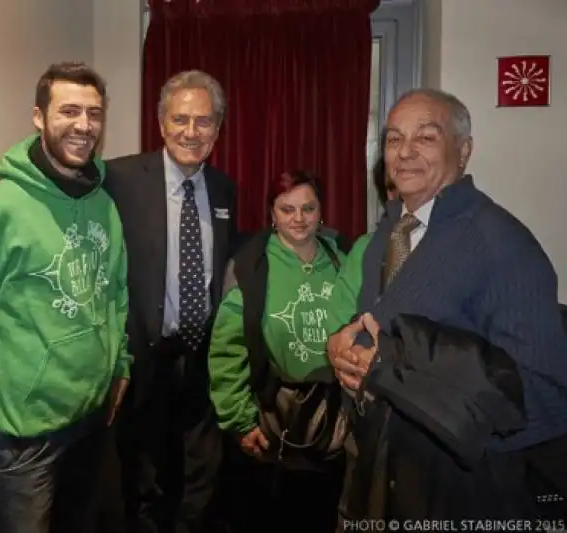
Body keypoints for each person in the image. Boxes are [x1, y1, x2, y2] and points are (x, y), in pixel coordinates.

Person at [327, 88, 567, 521]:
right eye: (394, 139)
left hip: (462, 494)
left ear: (464, 150)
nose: (405, 152)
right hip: (383, 479)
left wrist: (401, 375)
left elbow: (546, 399)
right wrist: (341, 350)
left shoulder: (501, 243)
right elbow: (381, 329)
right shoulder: (390, 233)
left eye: (426, 137)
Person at [0, 61, 131, 533]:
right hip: (25, 432)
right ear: (39, 116)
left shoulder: (103, 201)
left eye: (93, 113)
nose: (83, 125)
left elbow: (115, 291)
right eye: (69, 111)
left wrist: (120, 367)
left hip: (93, 416)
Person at [104, 69, 238, 533]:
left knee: (200, 478)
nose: (191, 132)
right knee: (143, 484)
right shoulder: (119, 179)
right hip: (144, 358)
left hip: (202, 359)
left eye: (204, 122)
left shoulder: (224, 190)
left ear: (217, 129)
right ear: (161, 123)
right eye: (180, 119)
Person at [208, 170, 347, 532]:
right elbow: (227, 350)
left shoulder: (342, 256)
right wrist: (240, 420)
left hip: (335, 423)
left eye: (308, 208)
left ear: (321, 210)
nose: (299, 219)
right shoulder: (250, 265)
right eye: (287, 209)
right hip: (274, 422)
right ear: (272, 213)